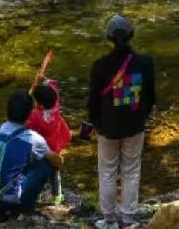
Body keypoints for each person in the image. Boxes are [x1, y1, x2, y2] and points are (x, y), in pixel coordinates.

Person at [87, 15, 156, 229]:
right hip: (135, 125)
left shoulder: (100, 66)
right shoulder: (145, 63)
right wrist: (143, 116)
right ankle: (127, 220)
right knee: (131, 170)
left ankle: (108, 221)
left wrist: (96, 124)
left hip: (107, 126)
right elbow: (150, 96)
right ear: (132, 36)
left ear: (109, 38)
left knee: (107, 172)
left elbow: (93, 101)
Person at [0, 90, 64, 217]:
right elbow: (57, 161)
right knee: (47, 163)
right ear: (29, 115)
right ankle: (26, 208)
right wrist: (59, 156)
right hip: (9, 202)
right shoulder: (33, 139)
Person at [26, 80, 72, 204]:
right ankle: (57, 196)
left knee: (37, 172)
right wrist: (48, 82)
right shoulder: (55, 108)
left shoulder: (35, 116)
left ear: (39, 105)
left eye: (35, 100)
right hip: (55, 147)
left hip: (41, 151)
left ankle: (37, 195)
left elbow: (25, 125)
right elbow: (54, 92)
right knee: (55, 172)